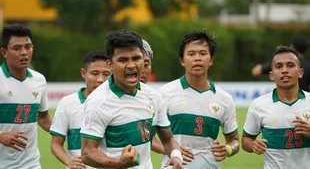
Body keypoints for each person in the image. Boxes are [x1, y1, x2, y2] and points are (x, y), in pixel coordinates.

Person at [80, 30, 183, 168]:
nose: (131, 65)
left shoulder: (153, 96)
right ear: (110, 64)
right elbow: (87, 153)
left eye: (136, 58)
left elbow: (167, 138)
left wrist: (176, 156)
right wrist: (120, 163)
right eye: (123, 60)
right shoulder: (98, 101)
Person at [157, 29, 239, 168]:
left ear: (211, 60)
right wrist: (173, 150)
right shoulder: (164, 93)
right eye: (191, 54)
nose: (197, 58)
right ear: (182, 61)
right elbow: (148, 138)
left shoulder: (224, 99)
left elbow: (234, 140)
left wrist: (228, 149)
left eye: (203, 53)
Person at [243, 46, 310, 169]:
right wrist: (253, 145)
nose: (284, 70)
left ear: (300, 72)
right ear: (271, 75)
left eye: (290, 65)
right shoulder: (258, 105)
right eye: (279, 67)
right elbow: (246, 140)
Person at [0, 24, 52, 168]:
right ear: (4, 52)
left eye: (28, 47)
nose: (24, 52)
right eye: (17, 48)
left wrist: (67, 132)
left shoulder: (39, 80)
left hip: (31, 163)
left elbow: (42, 117)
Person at [49, 50, 111, 169]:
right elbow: (56, 144)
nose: (100, 79)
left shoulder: (117, 103)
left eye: (106, 74)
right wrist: (69, 162)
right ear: (83, 73)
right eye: (94, 73)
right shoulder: (67, 103)